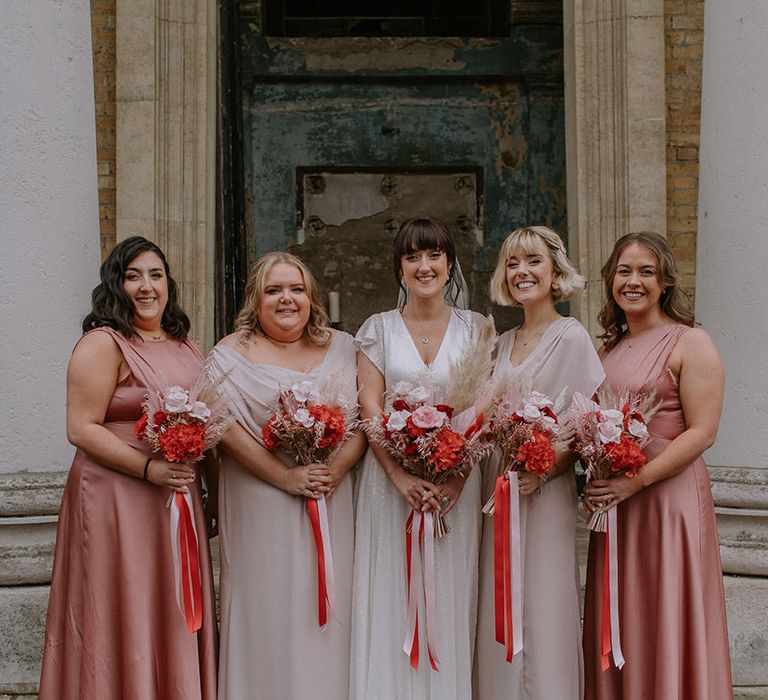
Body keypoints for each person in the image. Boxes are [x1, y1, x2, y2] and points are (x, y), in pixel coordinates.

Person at [39, 236, 217, 700]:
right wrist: (147, 471)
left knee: (168, 604)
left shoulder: (186, 346)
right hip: (116, 498)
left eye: (155, 275)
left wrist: (211, 491)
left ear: (168, 285)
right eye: (133, 276)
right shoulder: (103, 343)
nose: (146, 286)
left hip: (175, 499)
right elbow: (81, 428)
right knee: (121, 602)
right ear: (115, 284)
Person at [205, 252, 365, 700]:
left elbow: (366, 422)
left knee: (331, 610)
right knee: (269, 609)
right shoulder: (228, 354)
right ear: (256, 300)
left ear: (312, 297)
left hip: (330, 497)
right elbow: (224, 428)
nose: (286, 299)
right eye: (273, 290)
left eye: (295, 289)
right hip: (261, 501)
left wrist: (334, 469)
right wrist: (284, 477)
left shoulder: (344, 347)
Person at [582, 231, 732, 698]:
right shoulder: (604, 350)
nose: (634, 281)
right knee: (625, 610)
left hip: (668, 500)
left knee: (666, 604)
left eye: (646, 271)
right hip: (618, 504)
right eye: (624, 271)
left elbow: (702, 432)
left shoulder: (691, 342)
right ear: (610, 280)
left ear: (664, 280)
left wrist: (639, 480)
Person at [349, 216, 486, 700]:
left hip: (455, 488)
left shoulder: (478, 328)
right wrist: (397, 474)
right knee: (389, 591)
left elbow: (480, 411)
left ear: (450, 264)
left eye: (433, 255)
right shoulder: (377, 329)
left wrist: (456, 479)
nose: (424, 266)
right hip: (389, 488)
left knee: (448, 593)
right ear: (400, 268)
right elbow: (370, 408)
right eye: (412, 257)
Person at [473, 226, 604, 699]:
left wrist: (543, 469)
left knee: (542, 598)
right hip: (496, 488)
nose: (521, 272)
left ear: (555, 272)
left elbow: (579, 425)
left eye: (532, 262)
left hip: (544, 489)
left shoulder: (571, 337)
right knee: (499, 595)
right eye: (512, 263)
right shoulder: (500, 342)